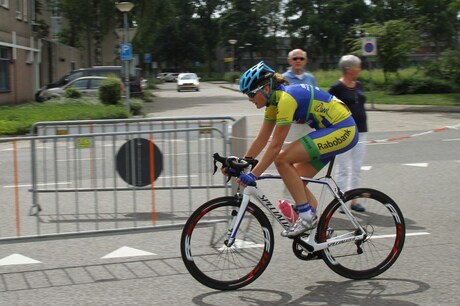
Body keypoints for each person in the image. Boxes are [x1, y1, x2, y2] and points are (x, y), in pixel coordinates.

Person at [236, 61, 358, 237]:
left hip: (343, 130)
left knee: (282, 159)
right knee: (295, 180)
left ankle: (306, 217)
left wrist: (253, 175)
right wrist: (242, 162)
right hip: (329, 130)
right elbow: (262, 139)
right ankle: (319, 232)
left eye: (251, 94)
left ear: (266, 89)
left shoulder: (286, 100)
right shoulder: (273, 104)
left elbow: (275, 146)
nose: (250, 99)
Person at [328, 55, 368, 212]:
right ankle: (341, 201)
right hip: (343, 132)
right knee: (343, 168)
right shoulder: (336, 88)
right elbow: (328, 110)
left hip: (362, 131)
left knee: (356, 168)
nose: (360, 69)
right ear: (349, 69)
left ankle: (354, 200)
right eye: (358, 66)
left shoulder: (359, 85)